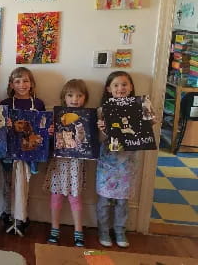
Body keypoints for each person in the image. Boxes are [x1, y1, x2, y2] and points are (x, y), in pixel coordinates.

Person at [96, 71, 151, 248]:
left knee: (122, 201)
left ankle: (120, 231)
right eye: (116, 85)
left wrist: (149, 121)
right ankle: (103, 231)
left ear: (131, 87)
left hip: (127, 164)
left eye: (124, 84)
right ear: (108, 89)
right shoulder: (102, 110)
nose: (121, 88)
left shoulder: (140, 107)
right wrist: (102, 129)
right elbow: (99, 140)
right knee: (104, 201)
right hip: (107, 162)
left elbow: (145, 132)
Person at [0, 67, 47, 234]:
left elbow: (42, 126)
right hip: (9, 152)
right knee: (8, 184)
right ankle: (8, 214)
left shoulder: (38, 103)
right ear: (11, 84)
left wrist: (47, 130)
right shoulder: (5, 104)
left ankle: (22, 216)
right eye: (17, 81)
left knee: (25, 185)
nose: (22, 85)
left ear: (32, 84)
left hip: (30, 152)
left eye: (26, 81)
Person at [43, 79, 89, 247]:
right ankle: (54, 229)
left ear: (85, 98)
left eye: (79, 95)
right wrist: (50, 133)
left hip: (76, 163)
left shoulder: (86, 117)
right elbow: (48, 139)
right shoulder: (57, 115)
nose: (75, 99)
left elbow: (85, 140)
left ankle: (78, 231)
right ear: (64, 97)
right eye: (70, 95)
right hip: (59, 162)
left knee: (74, 196)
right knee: (56, 195)